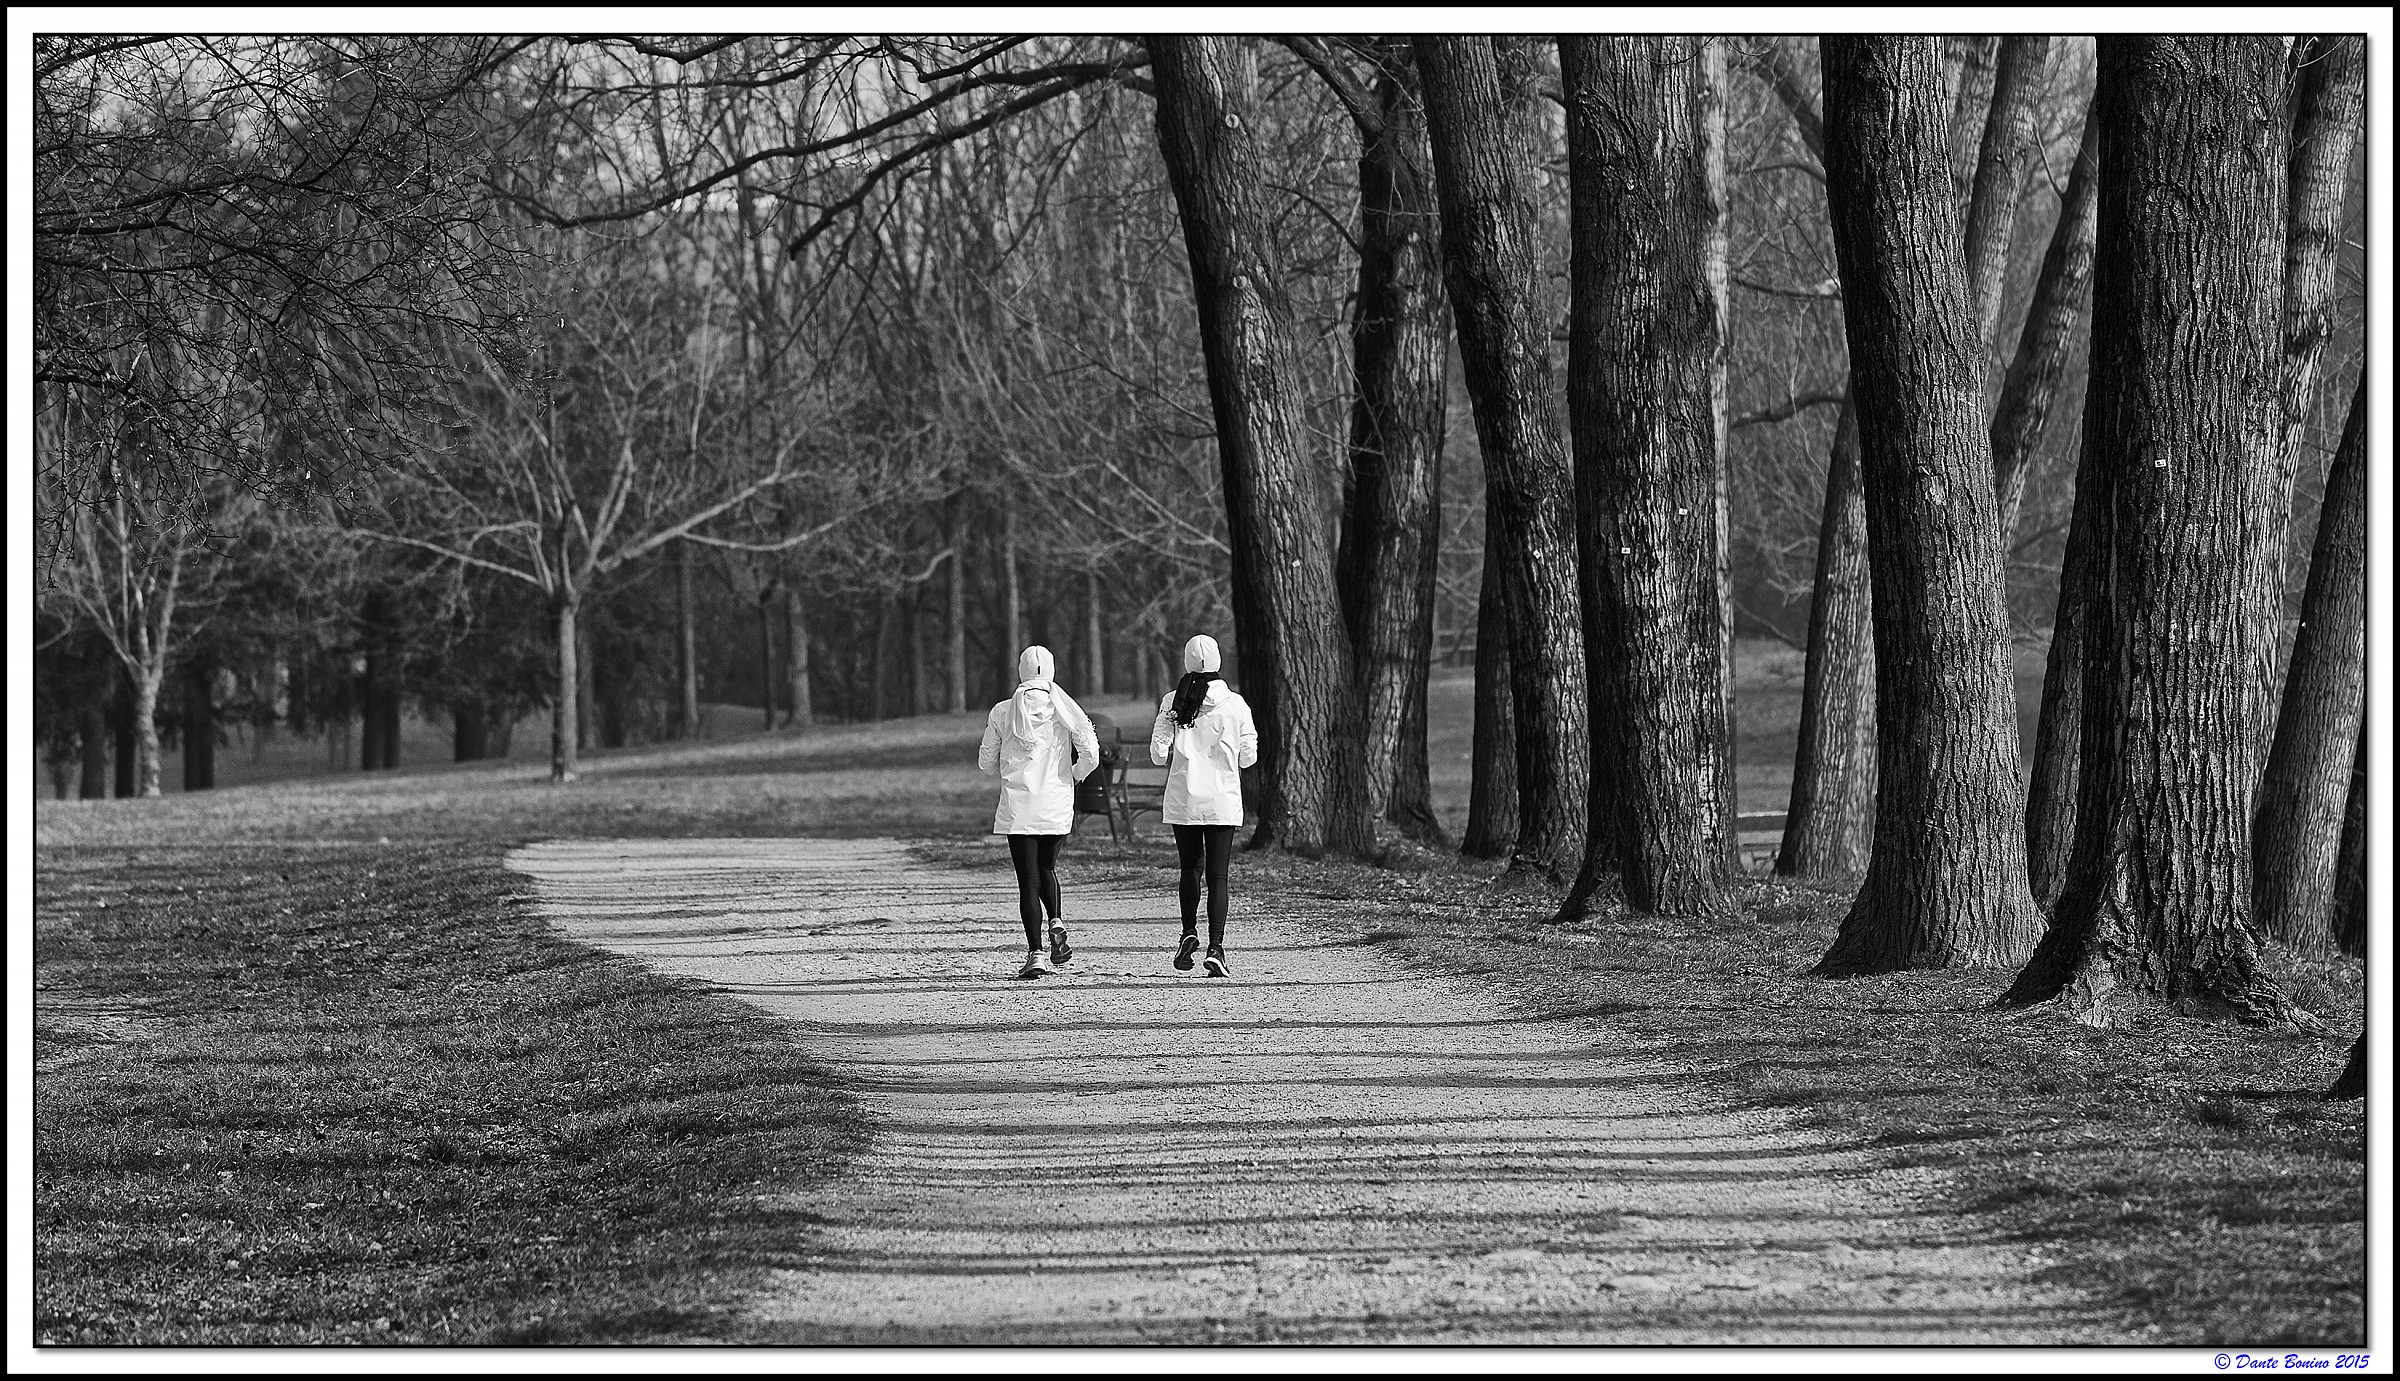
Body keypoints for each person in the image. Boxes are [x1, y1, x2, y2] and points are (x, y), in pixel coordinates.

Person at [978, 645, 1100, 980]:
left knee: (1028, 881)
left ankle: (1036, 954)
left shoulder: (1003, 711)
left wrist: (1006, 766)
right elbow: (1091, 753)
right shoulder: (1066, 709)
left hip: (1018, 807)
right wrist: (1072, 775)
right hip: (1056, 803)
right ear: (1051, 671)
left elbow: (985, 762)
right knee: (1047, 868)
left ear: (1021, 671)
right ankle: (1056, 919)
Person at [1150, 634, 1258, 978]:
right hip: (1222, 800)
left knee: (1190, 870)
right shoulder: (1236, 704)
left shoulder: (1173, 701)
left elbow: (1157, 754)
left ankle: (1188, 932)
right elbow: (1248, 757)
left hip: (1184, 798)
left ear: (1186, 661)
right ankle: (1216, 948)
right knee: (1218, 875)